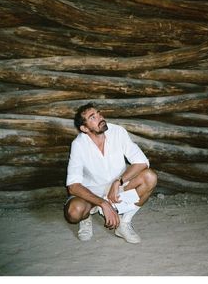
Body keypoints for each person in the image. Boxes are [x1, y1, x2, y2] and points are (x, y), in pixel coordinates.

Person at [64, 103, 157, 243]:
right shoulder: (78, 145)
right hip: (92, 193)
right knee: (74, 212)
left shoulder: (117, 131)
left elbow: (142, 162)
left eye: (99, 113)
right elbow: (73, 186)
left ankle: (124, 224)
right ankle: (87, 217)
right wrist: (103, 203)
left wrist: (118, 181)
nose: (100, 117)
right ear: (84, 128)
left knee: (150, 177)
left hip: (118, 188)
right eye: (93, 117)